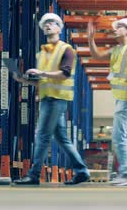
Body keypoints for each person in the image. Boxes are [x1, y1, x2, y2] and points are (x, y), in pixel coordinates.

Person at [12, 13, 90, 185]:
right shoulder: (43, 53)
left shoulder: (66, 49)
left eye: (52, 23)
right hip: (47, 98)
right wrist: (23, 79)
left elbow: (65, 73)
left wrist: (42, 73)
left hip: (57, 99)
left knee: (42, 136)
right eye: (45, 23)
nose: (48, 25)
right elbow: (42, 80)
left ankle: (33, 175)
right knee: (62, 138)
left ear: (59, 27)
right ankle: (82, 171)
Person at [87, 18, 127, 186]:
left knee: (118, 136)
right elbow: (96, 55)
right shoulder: (117, 50)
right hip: (123, 99)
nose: (116, 29)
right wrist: (91, 39)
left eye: (119, 27)